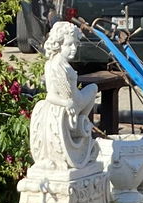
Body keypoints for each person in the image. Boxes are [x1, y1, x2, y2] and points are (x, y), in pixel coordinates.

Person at [30, 22, 99, 172]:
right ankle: (81, 122)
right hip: (74, 102)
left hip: (76, 100)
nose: (73, 48)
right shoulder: (54, 65)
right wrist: (66, 103)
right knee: (93, 88)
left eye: (75, 44)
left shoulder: (59, 64)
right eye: (69, 45)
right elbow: (51, 96)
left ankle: (82, 121)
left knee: (93, 88)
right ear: (59, 44)